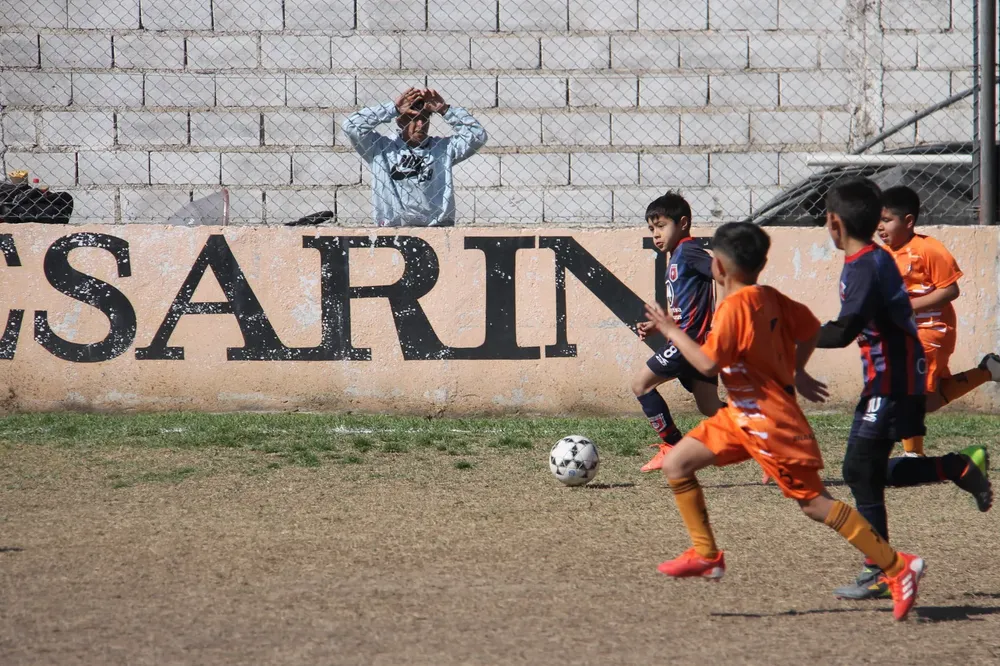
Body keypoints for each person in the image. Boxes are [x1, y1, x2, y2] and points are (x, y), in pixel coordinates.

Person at [645, 221, 924, 621]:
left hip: (770, 423)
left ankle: (899, 567)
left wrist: (672, 330)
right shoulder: (769, 296)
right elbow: (810, 328)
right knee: (677, 463)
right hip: (740, 414)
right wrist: (798, 371)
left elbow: (706, 362)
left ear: (718, 270)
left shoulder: (733, 311)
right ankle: (707, 554)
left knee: (814, 504)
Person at [815, 178, 992, 601]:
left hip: (893, 380)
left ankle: (880, 566)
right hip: (894, 377)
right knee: (867, 471)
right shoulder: (874, 258)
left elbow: (844, 331)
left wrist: (788, 335)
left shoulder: (865, 265)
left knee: (859, 469)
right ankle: (956, 468)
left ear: (835, 224)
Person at [878, 185, 1000, 457]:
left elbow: (950, 290)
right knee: (930, 400)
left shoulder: (928, 249)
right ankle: (988, 370)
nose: (880, 227)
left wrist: (909, 307)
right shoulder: (884, 256)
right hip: (906, 334)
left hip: (932, 331)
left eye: (886, 220)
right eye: (877, 221)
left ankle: (913, 455)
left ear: (908, 221)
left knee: (908, 390)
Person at [634, 192, 724, 473]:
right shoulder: (676, 258)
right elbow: (685, 308)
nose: (656, 234)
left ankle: (672, 445)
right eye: (651, 229)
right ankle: (764, 436)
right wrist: (658, 324)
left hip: (690, 343)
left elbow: (724, 273)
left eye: (661, 226)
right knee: (710, 407)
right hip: (695, 343)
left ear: (683, 223)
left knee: (641, 385)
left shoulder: (689, 251)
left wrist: (725, 315)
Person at [342, 87, 487, 227]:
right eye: (414, 118)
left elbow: (478, 136)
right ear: (400, 121)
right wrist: (392, 109)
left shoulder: (442, 149)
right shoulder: (381, 149)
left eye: (425, 119)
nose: (421, 125)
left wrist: (445, 110)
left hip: (436, 228)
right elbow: (351, 126)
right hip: (392, 229)